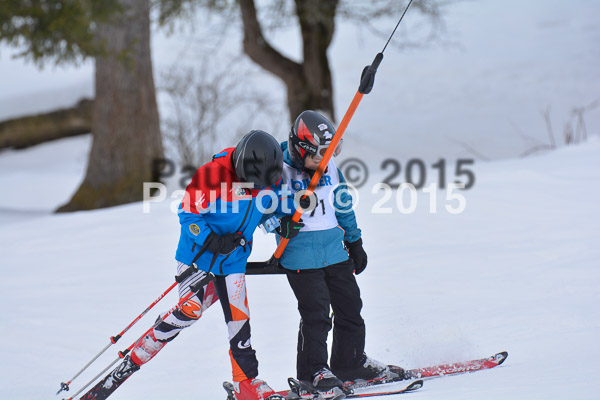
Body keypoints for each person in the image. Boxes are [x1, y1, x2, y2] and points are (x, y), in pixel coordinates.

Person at [121, 130, 302, 400]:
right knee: (191, 310)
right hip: (198, 257)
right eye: (252, 181)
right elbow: (188, 214)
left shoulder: (269, 182)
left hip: (233, 262)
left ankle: (245, 382)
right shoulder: (212, 175)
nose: (257, 186)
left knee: (240, 321)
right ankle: (147, 344)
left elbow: (266, 212)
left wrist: (280, 222)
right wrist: (210, 239)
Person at [270, 111, 405, 397]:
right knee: (316, 314)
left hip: (334, 251)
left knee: (350, 306)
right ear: (298, 149)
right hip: (299, 255)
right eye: (317, 156)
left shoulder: (329, 165)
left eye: (328, 154)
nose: (324, 161)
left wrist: (355, 242)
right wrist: (279, 223)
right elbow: (261, 208)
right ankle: (314, 372)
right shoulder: (277, 169)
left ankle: (350, 362)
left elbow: (343, 204)